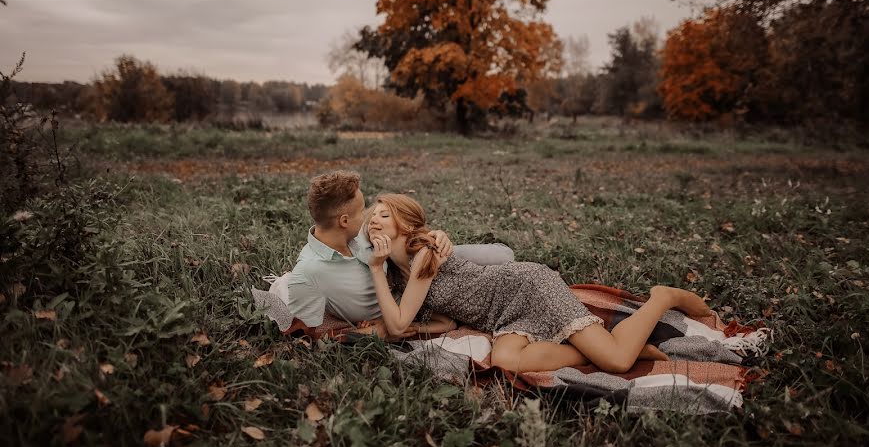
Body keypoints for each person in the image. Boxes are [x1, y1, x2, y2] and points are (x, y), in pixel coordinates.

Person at [367, 194, 713, 374]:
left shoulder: (425, 253)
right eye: (371, 217)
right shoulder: (399, 277)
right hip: (504, 316)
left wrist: (374, 270)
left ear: (405, 223)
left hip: (526, 288)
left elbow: (397, 325)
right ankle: (595, 351)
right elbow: (445, 321)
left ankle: (662, 297)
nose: (374, 221)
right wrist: (416, 324)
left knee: (618, 363)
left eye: (385, 214)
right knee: (505, 362)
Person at [285, 171, 515, 337]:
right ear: (344, 221)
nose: (369, 216)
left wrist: (435, 235)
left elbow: (400, 224)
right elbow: (307, 328)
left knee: (504, 257)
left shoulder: (361, 233)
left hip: (419, 264)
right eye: (363, 211)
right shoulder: (308, 272)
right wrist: (363, 331)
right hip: (412, 301)